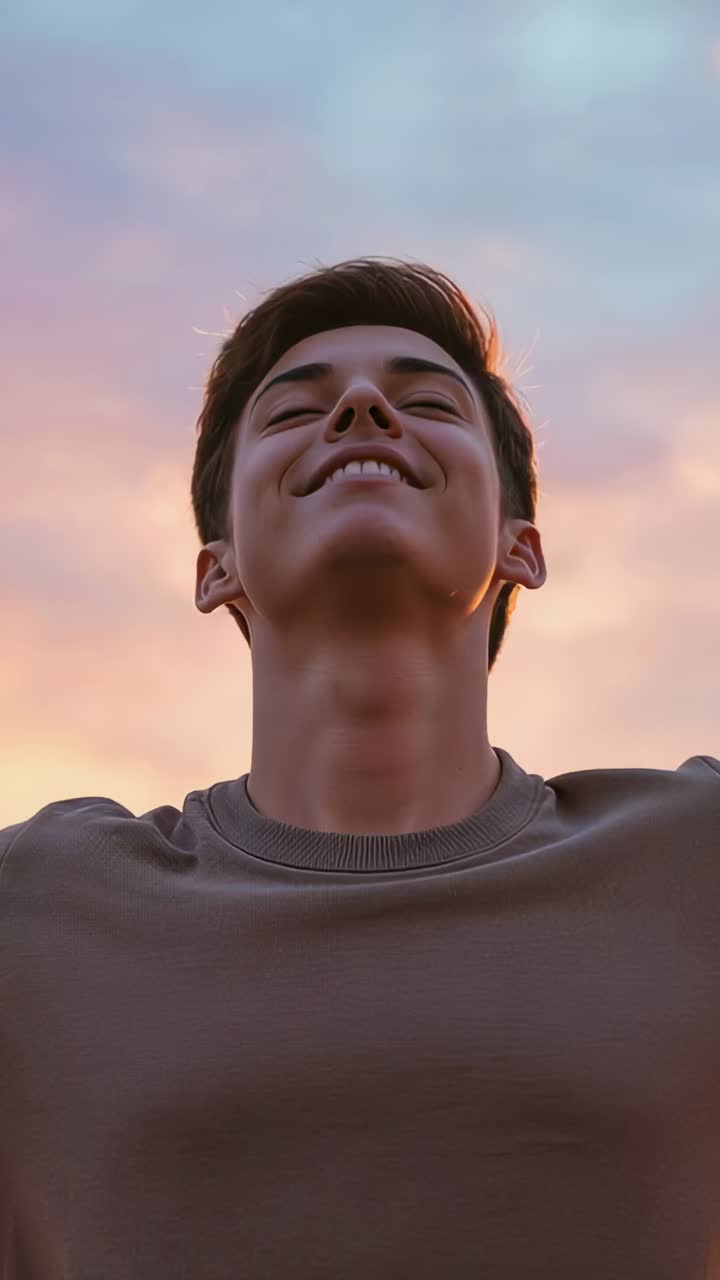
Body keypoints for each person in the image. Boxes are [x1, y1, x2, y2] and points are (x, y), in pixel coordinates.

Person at [1, 256, 718, 1278]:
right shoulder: (35, 910)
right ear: (216, 566)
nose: (364, 410)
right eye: (297, 411)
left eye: (427, 403)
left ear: (521, 547)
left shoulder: (694, 861)